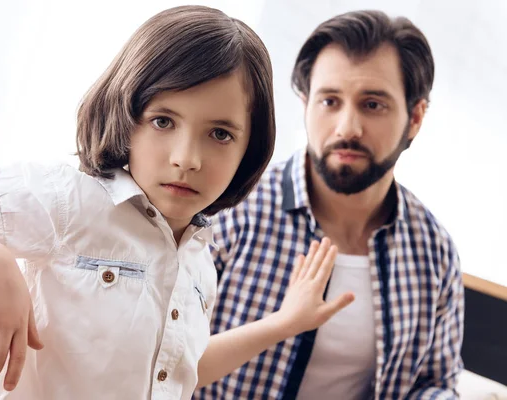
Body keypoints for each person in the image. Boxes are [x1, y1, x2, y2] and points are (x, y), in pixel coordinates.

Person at [0, 5, 355, 400]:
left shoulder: (199, 259)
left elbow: (183, 371)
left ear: (248, 149)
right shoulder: (72, 202)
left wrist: (286, 322)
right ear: (126, 118)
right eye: (163, 121)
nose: (187, 159)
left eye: (220, 134)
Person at [196, 10, 464, 400]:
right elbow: (164, 363)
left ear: (415, 118)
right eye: (330, 101)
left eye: (373, 105)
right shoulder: (229, 209)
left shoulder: (433, 251)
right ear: (305, 104)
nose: (347, 127)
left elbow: (435, 383)